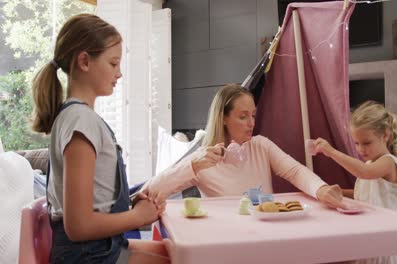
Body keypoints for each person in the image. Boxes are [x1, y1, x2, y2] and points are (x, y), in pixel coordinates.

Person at [31, 14, 169, 264]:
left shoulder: (76, 117)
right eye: (113, 63)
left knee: (177, 253)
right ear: (84, 61)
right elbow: (79, 226)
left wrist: (132, 202)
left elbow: (93, 201)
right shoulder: (81, 121)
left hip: (100, 249)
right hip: (88, 256)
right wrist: (138, 217)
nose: (120, 74)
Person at [142, 83, 345, 209]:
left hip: (266, 232)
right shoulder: (203, 159)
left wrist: (321, 189)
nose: (251, 123)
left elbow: (295, 171)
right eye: (243, 116)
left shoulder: (261, 146)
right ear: (223, 118)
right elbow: (150, 191)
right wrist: (193, 166)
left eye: (253, 115)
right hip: (227, 238)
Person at [310, 101, 397, 264]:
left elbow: (365, 173)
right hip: (372, 237)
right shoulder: (370, 165)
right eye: (356, 143)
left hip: (389, 244)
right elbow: (364, 193)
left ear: (385, 135)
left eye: (366, 143)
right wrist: (339, 192)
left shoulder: (388, 162)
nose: (361, 149)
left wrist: (331, 152)